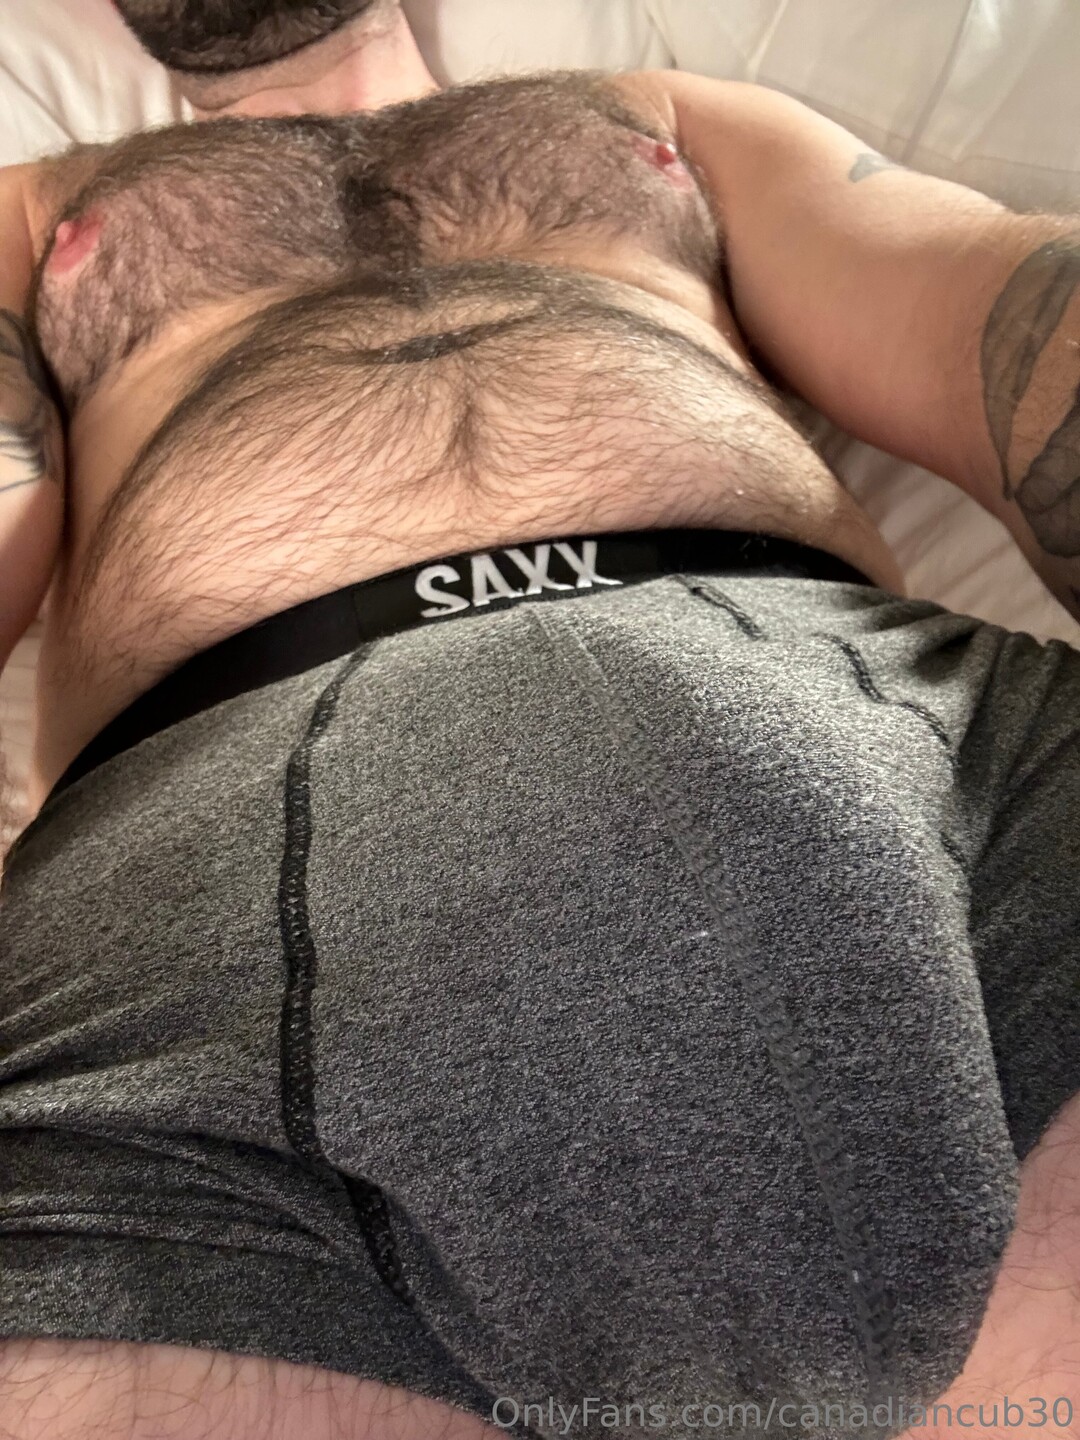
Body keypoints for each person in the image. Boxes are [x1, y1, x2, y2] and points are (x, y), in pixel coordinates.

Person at [0, 3, 1077, 1438]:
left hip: (925, 739)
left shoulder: (656, 118)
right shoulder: (36, 211)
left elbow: (972, 308)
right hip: (202, 872)